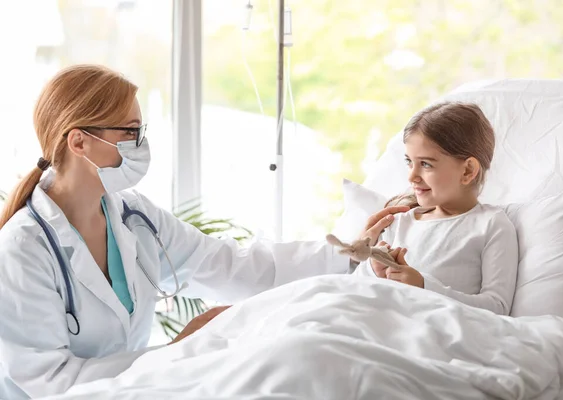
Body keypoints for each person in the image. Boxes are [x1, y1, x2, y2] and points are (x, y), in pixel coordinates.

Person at [0, 64, 407, 399]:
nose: (141, 145)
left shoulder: (132, 216)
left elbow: (232, 266)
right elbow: (48, 382)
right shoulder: (23, 249)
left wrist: (346, 253)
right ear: (79, 142)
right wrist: (177, 351)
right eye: (130, 132)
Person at [354, 102, 519, 315]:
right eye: (409, 162)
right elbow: (354, 290)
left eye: (425, 164)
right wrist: (373, 270)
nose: (411, 176)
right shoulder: (402, 222)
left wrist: (424, 287)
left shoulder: (491, 225)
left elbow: (497, 308)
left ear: (468, 170)